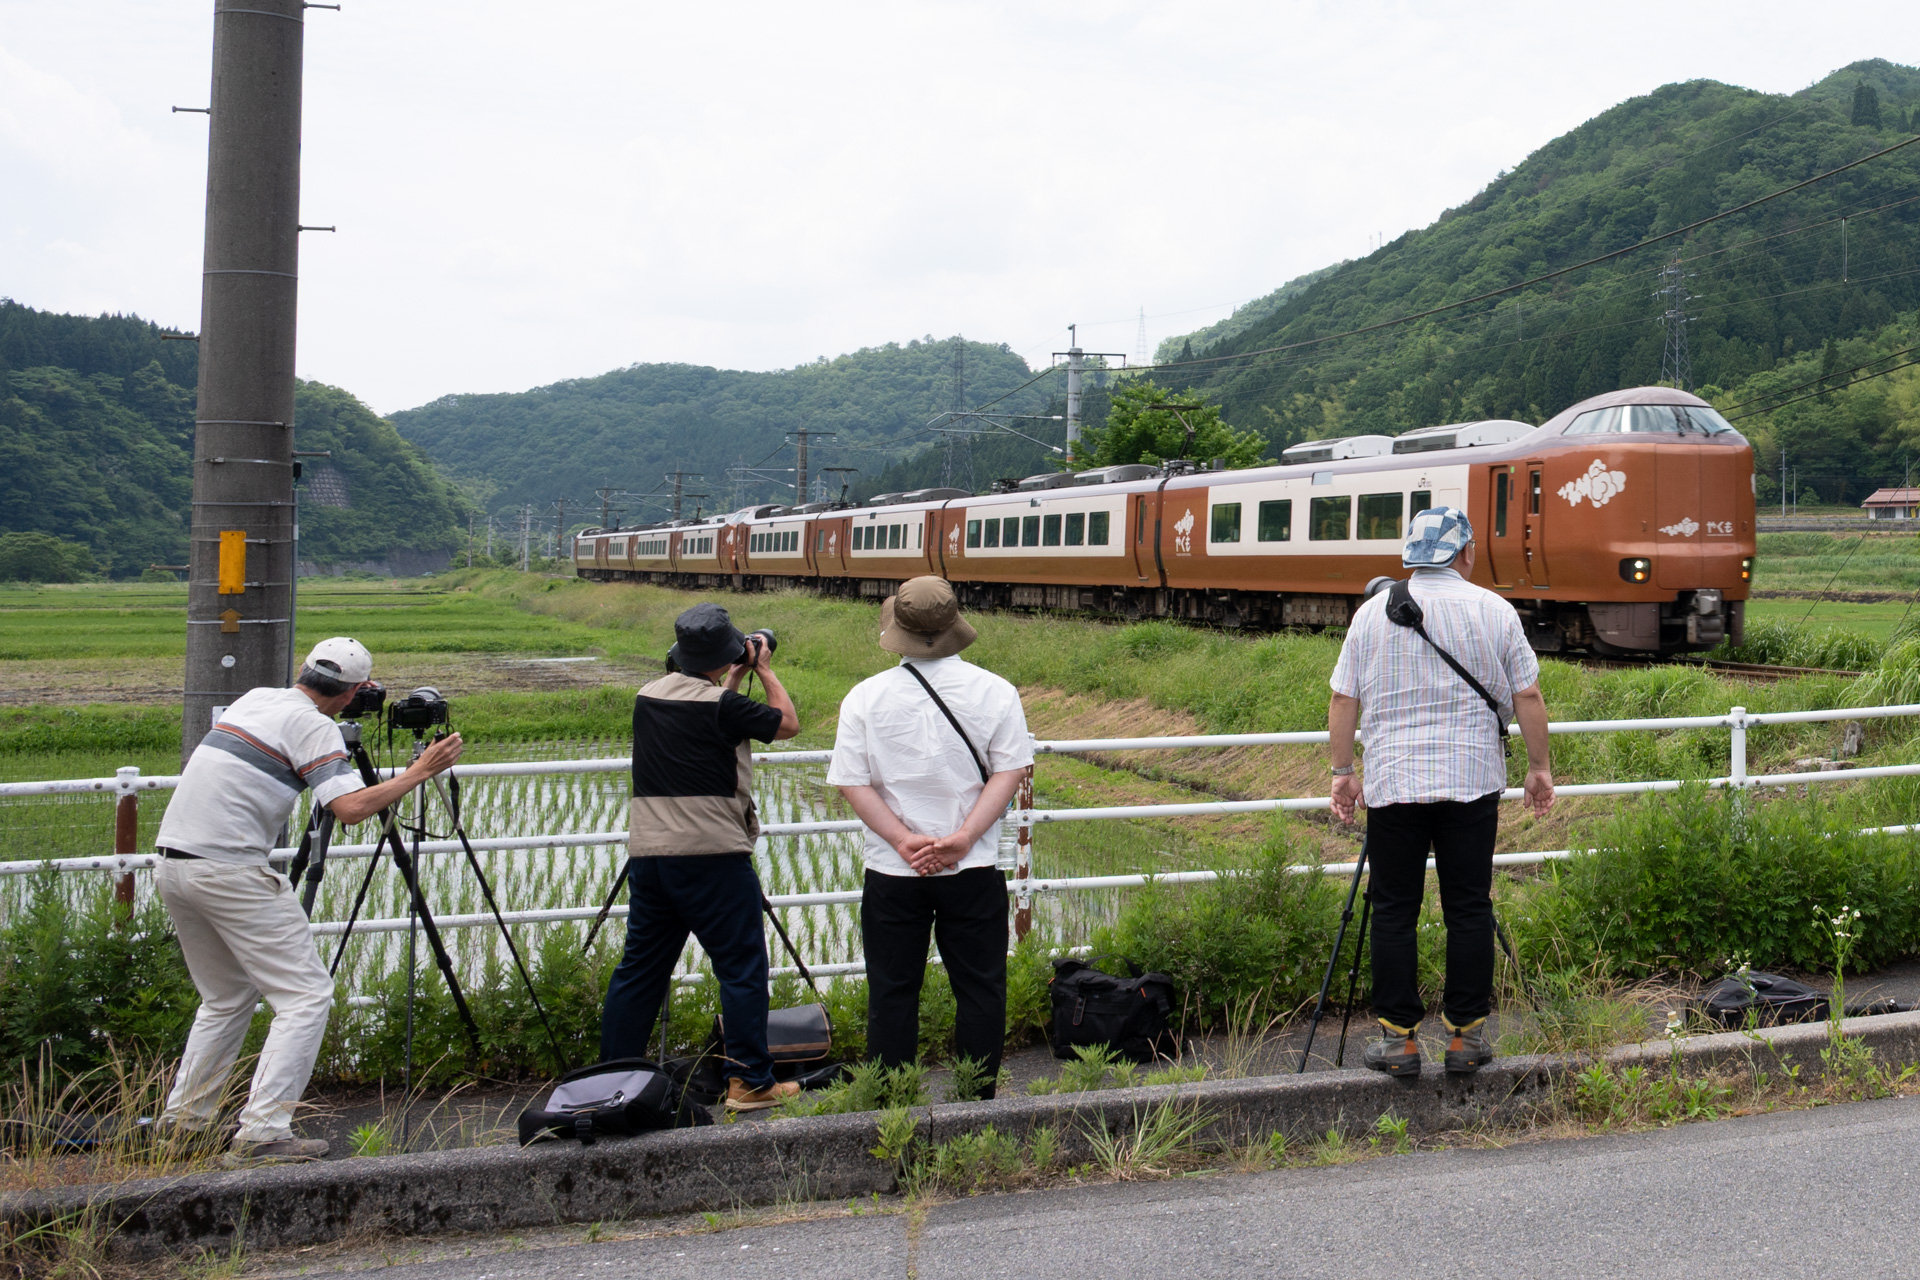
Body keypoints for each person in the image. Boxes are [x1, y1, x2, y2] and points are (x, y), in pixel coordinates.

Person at [154, 637, 464, 1166]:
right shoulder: (315, 726)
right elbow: (347, 808)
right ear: (354, 692)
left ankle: (183, 1124)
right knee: (305, 997)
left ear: (304, 671)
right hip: (229, 869)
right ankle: (263, 1134)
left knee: (226, 998)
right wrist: (418, 773)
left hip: (173, 864)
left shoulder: (255, 699)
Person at [1327, 507, 1554, 1077]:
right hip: (1471, 782)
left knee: (1395, 910)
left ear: (1411, 557)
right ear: (1466, 554)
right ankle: (1464, 1038)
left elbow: (1342, 699)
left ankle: (1399, 1042)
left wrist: (1342, 772)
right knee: (1469, 907)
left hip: (1395, 782)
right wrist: (1538, 767)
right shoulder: (1494, 610)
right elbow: (1526, 696)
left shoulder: (1372, 613)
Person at [829, 577, 1033, 1096]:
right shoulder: (996, 691)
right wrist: (963, 838)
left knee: (893, 992)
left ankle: (892, 1104)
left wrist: (902, 841)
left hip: (895, 871)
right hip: (972, 867)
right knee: (981, 988)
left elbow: (852, 781)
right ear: (954, 624)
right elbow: (1009, 773)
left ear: (896, 626)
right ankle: (974, 1100)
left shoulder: (864, 698)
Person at [600, 603, 801, 1111]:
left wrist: (728, 676)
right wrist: (763, 670)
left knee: (640, 970)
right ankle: (750, 1082)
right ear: (726, 651)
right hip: (713, 856)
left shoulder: (648, 696)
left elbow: (710, 719)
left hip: (650, 855)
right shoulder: (721, 704)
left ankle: (610, 1080)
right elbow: (787, 724)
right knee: (740, 968)